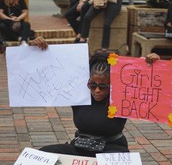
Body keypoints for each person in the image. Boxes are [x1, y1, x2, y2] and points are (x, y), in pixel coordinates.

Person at [29, 37, 160, 158]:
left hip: (112, 148)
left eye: (103, 86)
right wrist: (37, 50)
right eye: (92, 85)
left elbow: (148, 82)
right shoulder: (78, 93)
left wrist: (154, 63)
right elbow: (50, 71)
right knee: (43, 155)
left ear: (112, 84)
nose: (97, 90)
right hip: (81, 146)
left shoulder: (122, 95)